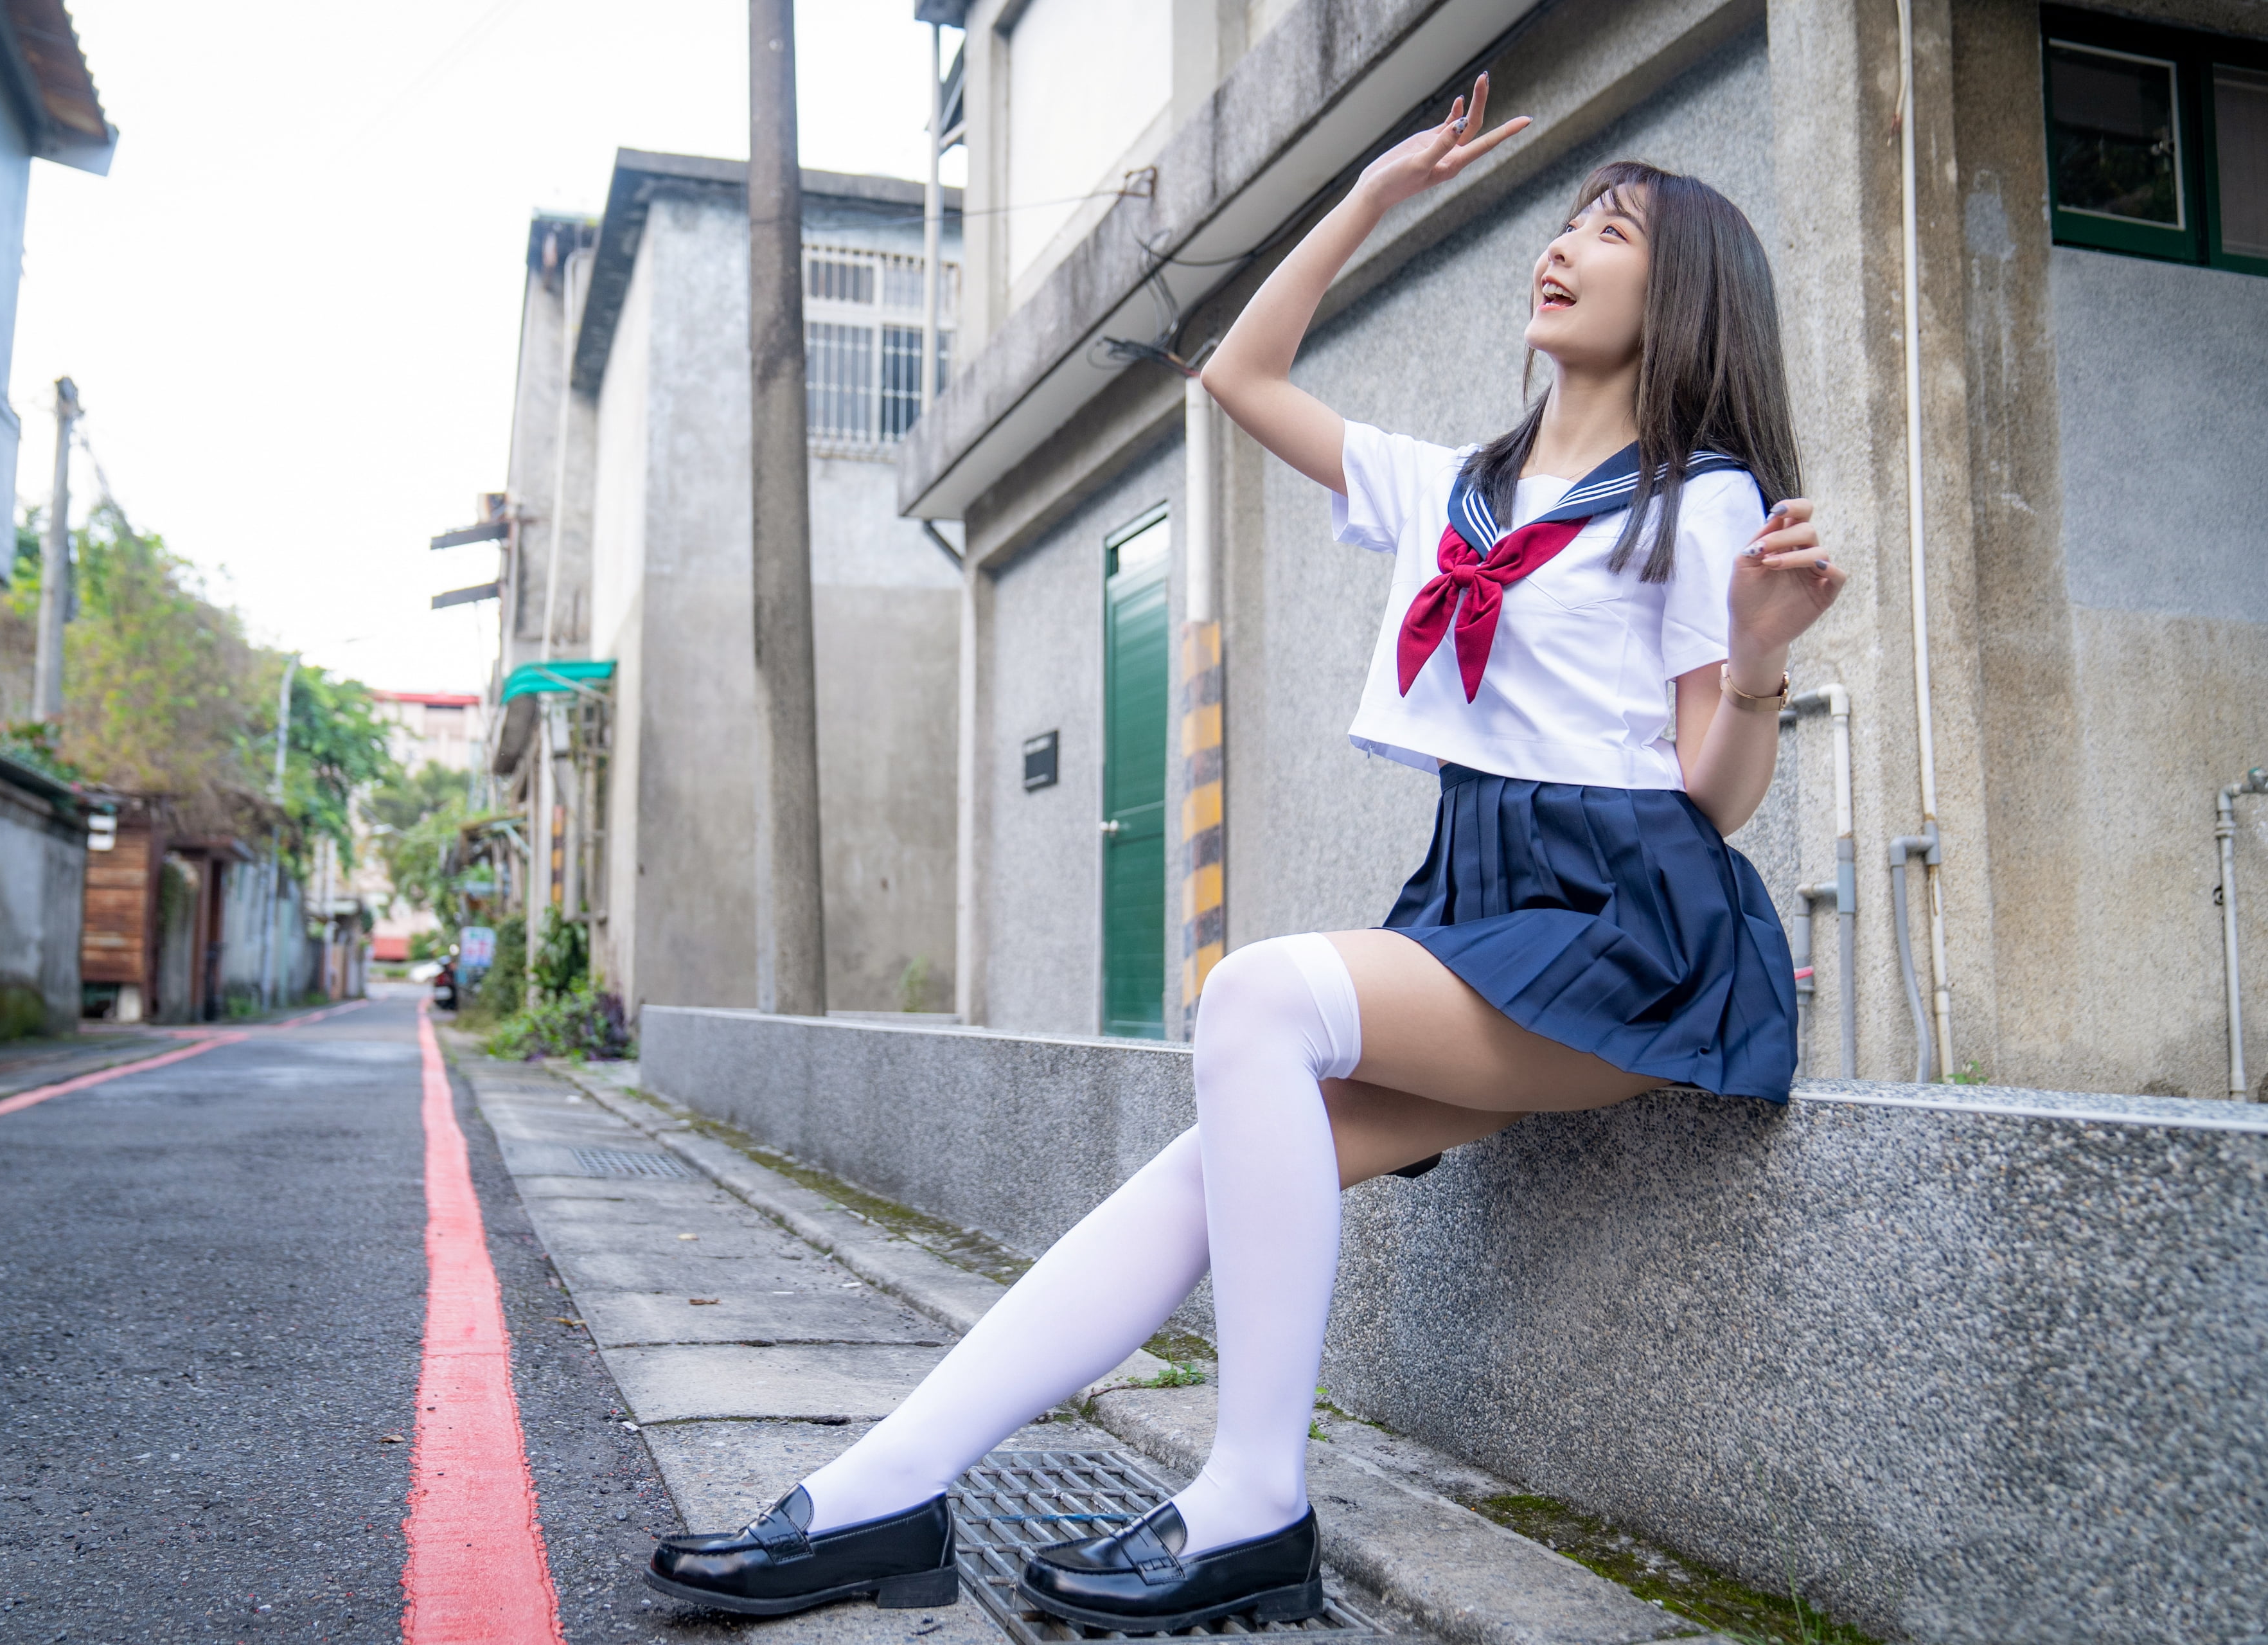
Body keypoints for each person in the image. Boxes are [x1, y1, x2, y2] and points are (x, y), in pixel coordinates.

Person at [646, 73, 1844, 1633]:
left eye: (1607, 230)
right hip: (1488, 904)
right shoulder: (1454, 489)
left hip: (1636, 927)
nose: (1561, 245)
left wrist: (1755, 657)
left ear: (1676, 294)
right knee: (1204, 1168)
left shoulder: (1702, 504)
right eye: (1562, 221)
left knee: (1258, 997)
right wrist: (1368, 194)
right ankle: (885, 1489)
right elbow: (1242, 371)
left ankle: (1255, 1496)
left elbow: (1712, 795)